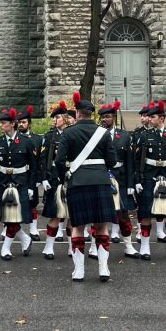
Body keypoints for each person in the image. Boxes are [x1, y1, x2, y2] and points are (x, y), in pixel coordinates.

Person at [55, 92, 118, 281]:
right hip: (100, 181)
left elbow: (59, 161)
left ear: (77, 113)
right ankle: (103, 268)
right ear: (92, 114)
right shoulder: (104, 133)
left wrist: (63, 178)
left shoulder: (68, 133)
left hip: (78, 182)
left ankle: (79, 270)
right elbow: (112, 161)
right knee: (101, 226)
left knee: (78, 227)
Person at [132, 101, 166, 261]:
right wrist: (137, 180)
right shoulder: (143, 135)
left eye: (153, 116)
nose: (149, 119)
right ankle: (145, 247)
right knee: (146, 213)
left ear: (161, 118)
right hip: (149, 177)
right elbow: (137, 160)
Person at [0, 108, 39, 260]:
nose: (1, 126)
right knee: (6, 216)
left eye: (4, 123)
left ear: (12, 124)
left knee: (13, 217)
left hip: (21, 183)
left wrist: (31, 186)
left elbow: (34, 166)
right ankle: (25, 238)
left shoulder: (26, 142)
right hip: (3, 183)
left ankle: (6, 247)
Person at [96, 100, 139, 258]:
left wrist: (130, 184)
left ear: (113, 117)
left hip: (120, 178)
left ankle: (128, 246)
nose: (105, 120)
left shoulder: (124, 136)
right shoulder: (96, 135)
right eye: (103, 117)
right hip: (102, 176)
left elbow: (129, 162)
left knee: (123, 214)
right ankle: (95, 247)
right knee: (99, 214)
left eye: (107, 117)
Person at [39, 101, 70, 259]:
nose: (55, 120)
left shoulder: (72, 133)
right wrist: (44, 177)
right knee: (55, 215)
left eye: (57, 117)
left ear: (65, 118)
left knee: (73, 216)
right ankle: (48, 247)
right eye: (54, 118)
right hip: (55, 178)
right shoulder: (49, 136)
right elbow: (44, 159)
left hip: (71, 177)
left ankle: (72, 247)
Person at [16, 105, 42, 240]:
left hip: (31, 174)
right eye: (19, 122)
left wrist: (38, 178)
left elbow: (39, 161)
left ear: (29, 123)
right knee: (14, 203)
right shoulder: (14, 138)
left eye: (24, 122)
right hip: (17, 175)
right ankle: (9, 229)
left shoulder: (37, 139)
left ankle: (34, 229)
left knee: (33, 204)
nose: (21, 124)